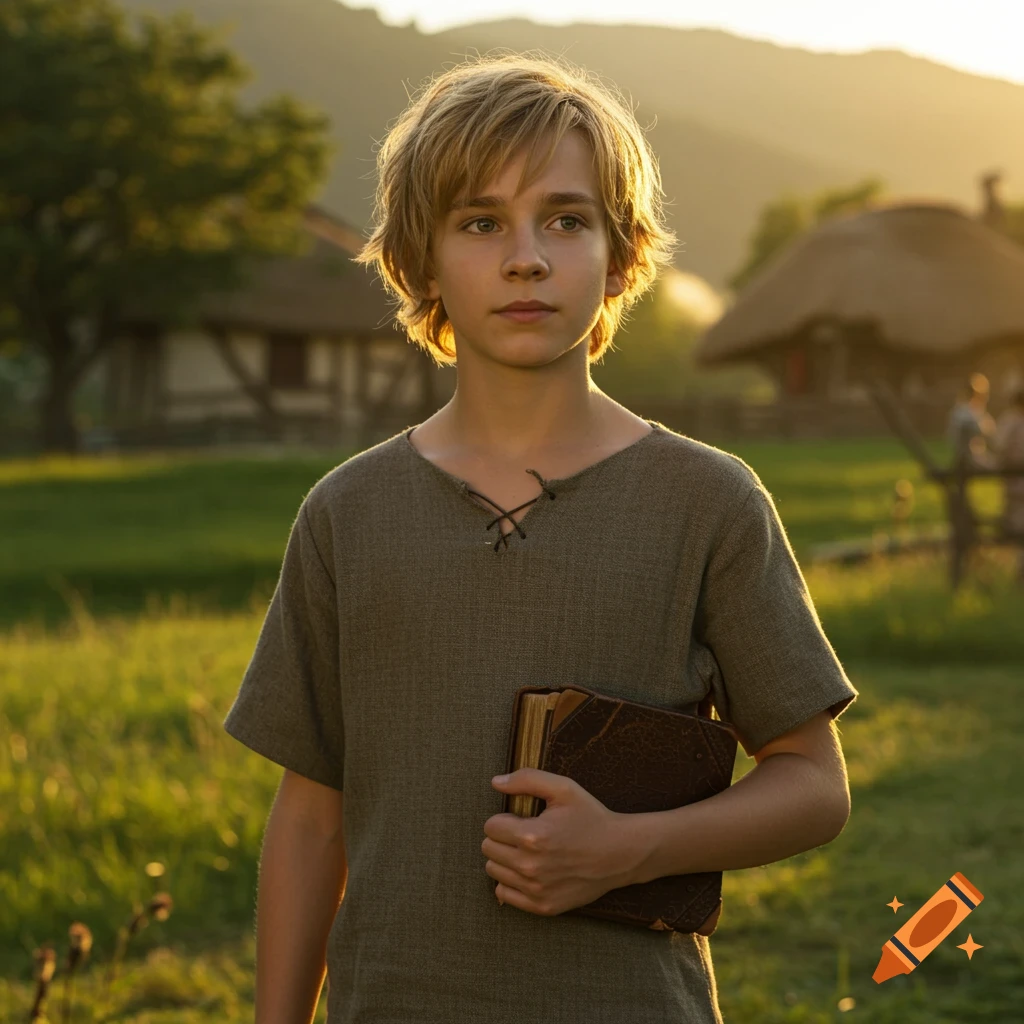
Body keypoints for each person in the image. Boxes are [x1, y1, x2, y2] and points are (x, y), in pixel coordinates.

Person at [222, 53, 858, 1024]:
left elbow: (814, 784)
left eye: (565, 220)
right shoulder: (344, 515)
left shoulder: (709, 502)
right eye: (481, 222)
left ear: (620, 253)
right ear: (422, 258)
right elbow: (310, 820)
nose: (527, 257)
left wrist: (629, 847)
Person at [993, 386, 1024, 580]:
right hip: (1017, 482)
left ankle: (1019, 571)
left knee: (1017, 525)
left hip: (1014, 482)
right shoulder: (1014, 421)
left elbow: (999, 446)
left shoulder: (1010, 421)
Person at [947, 373, 996, 470]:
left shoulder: (963, 409)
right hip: (969, 458)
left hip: (966, 456)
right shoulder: (966, 411)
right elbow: (989, 433)